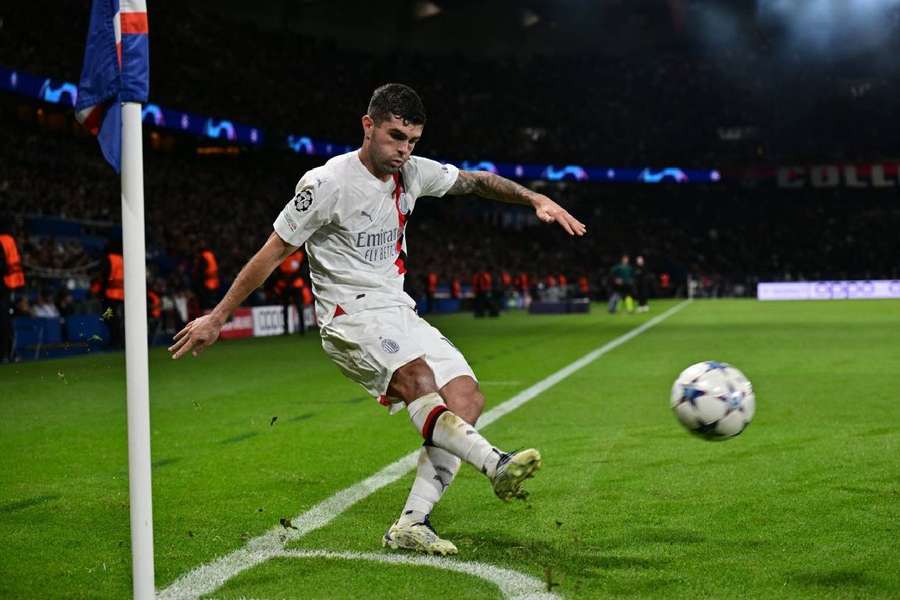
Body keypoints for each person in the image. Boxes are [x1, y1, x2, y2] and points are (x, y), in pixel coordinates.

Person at [168, 83, 586, 556]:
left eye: (412, 142)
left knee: (466, 397)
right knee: (418, 378)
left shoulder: (412, 174)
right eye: (394, 137)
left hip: (396, 310)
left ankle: (412, 524)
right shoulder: (325, 184)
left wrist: (535, 199)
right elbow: (273, 251)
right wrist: (220, 317)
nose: (403, 151)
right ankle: (496, 464)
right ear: (368, 126)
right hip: (349, 315)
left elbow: (477, 181)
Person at [0, 221, 26, 362]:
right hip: (11, 285)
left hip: (3, 286)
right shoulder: (9, 240)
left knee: (4, 323)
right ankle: (10, 354)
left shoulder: (2, 240)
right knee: (6, 322)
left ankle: (6, 354)